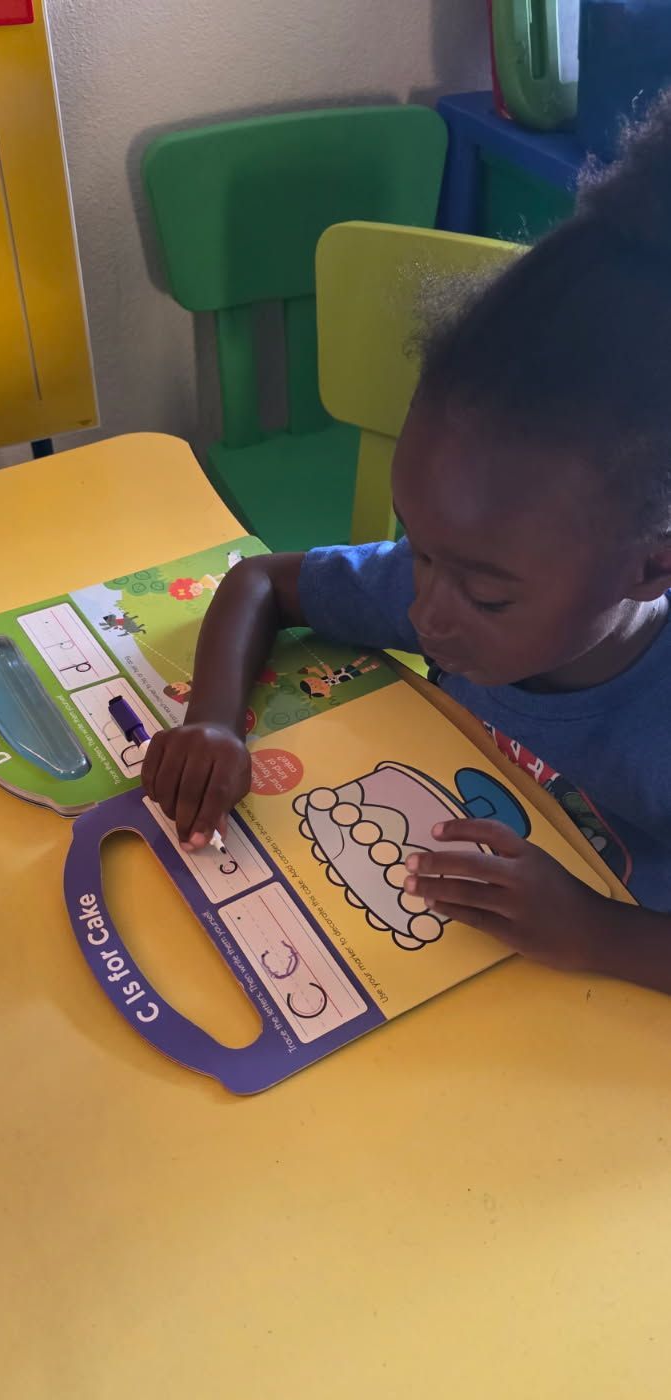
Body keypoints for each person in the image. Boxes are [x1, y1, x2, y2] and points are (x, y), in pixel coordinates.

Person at [143, 97, 671, 997]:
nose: (426, 612)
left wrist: (594, 933)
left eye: (486, 595)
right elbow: (263, 583)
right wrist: (214, 721)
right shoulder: (469, 572)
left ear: (651, 564)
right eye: (419, 551)